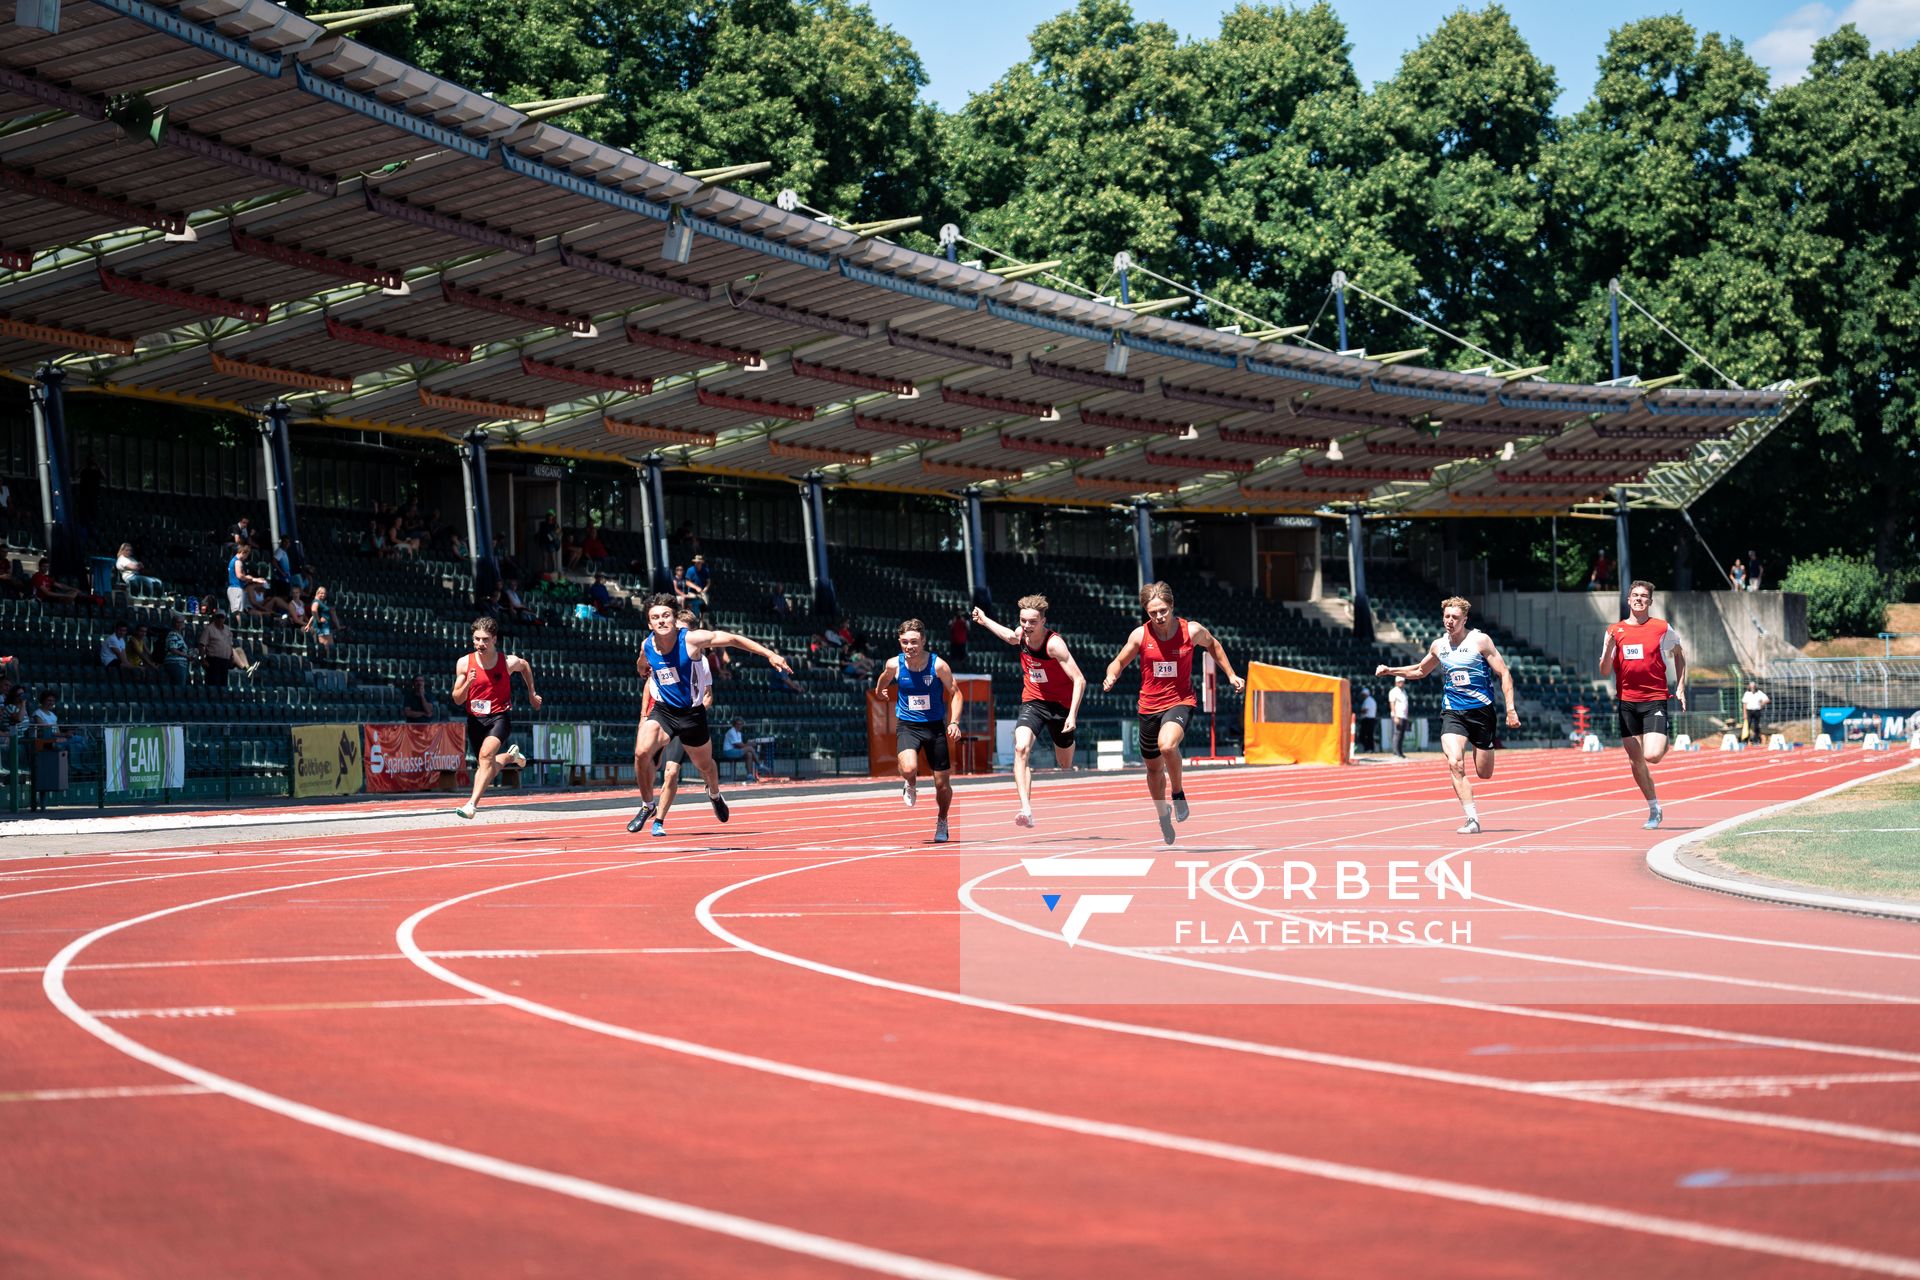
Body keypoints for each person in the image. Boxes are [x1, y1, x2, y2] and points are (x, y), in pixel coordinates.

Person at [625, 594, 792, 835]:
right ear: (649, 623)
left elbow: (732, 639)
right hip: (664, 711)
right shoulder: (647, 644)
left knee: (705, 765)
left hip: (692, 715)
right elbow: (642, 661)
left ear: (673, 618)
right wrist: (642, 668)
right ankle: (647, 805)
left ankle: (714, 793)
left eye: (665, 616)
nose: (661, 621)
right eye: (655, 618)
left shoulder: (692, 640)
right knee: (641, 751)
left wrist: (770, 654)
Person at [1103, 582, 1245, 845]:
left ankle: (1178, 794)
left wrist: (1231, 674)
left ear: (1172, 606)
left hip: (1180, 701)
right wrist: (1111, 675)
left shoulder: (1191, 631)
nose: (1158, 617)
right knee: (1154, 770)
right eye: (1152, 612)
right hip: (1148, 707)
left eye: (1163, 611)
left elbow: (1214, 645)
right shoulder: (1139, 636)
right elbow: (1119, 661)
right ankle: (1162, 815)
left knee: (1167, 746)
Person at [1375, 596, 1520, 836]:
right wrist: (1391, 671)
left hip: (1482, 712)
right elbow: (1421, 670)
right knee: (1455, 763)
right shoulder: (1439, 646)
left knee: (1485, 773)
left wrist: (1511, 709)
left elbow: (1504, 673)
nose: (1450, 621)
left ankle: (1483, 747)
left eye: (1455, 617)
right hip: (1453, 711)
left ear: (1465, 619)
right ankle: (1472, 819)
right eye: (1447, 617)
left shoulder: (1480, 641)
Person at [973, 597, 1088, 828]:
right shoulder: (1021, 634)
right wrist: (984, 620)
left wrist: (1072, 715)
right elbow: (1008, 635)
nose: (1026, 625)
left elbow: (1079, 680)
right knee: (1020, 747)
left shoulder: (1054, 645)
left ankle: (1067, 753)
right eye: (1023, 620)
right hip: (1034, 701)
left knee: (1064, 764)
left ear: (1043, 621)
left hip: (1060, 707)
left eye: (1032, 621)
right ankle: (1026, 809)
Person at [1601, 579, 1687, 830]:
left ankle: (1663, 738)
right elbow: (1605, 670)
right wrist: (1608, 650)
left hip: (1654, 699)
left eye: (1643, 596)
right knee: (1635, 759)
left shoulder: (1662, 628)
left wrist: (1680, 686)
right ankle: (1653, 808)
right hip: (1627, 702)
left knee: (1652, 755)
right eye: (1635, 595)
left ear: (1650, 601)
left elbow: (1679, 655)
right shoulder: (1614, 631)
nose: (1639, 599)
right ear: (1628, 600)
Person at [874, 617, 963, 843]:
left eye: (914, 642)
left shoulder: (938, 665)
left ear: (923, 641)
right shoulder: (894, 664)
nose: (909, 647)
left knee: (942, 785)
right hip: (908, 725)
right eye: (904, 642)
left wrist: (954, 722)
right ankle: (910, 783)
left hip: (935, 728)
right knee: (909, 768)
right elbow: (883, 680)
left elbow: (956, 693)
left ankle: (942, 820)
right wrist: (880, 690)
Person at [450, 616, 539, 820]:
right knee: (486, 765)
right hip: (475, 720)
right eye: (477, 639)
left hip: (499, 717)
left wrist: (531, 693)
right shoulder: (464, 663)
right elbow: (456, 699)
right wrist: (468, 684)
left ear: (494, 639)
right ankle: (510, 757)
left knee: (484, 757)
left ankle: (471, 804)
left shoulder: (507, 662)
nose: (480, 644)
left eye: (485, 639)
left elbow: (524, 666)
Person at [225, 543, 266, 615]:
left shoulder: (233, 561)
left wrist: (251, 578)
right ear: (243, 553)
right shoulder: (238, 562)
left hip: (235, 588)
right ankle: (239, 626)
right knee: (238, 612)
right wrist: (254, 579)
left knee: (239, 611)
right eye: (247, 555)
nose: (247, 557)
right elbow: (240, 576)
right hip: (236, 589)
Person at [304, 585, 337, 661]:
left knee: (329, 645)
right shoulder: (316, 602)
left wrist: (308, 625)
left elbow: (313, 615)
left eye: (324, 594)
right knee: (325, 645)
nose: (323, 595)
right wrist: (318, 620)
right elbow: (314, 611)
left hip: (325, 626)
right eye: (321, 593)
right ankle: (325, 661)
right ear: (317, 593)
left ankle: (327, 659)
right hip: (321, 627)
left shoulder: (320, 602)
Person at [161, 617, 191, 686]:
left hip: (181, 664)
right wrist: (187, 656)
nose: (183, 624)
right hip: (175, 663)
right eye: (181, 622)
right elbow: (173, 649)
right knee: (179, 687)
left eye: (183, 622)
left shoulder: (180, 635)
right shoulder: (172, 634)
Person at [1388, 674, 1411, 759]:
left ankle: (1400, 751)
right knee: (1397, 734)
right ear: (1396, 682)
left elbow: (1406, 705)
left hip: (1404, 716)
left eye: (1403, 682)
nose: (1402, 683)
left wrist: (1407, 716)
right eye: (1400, 682)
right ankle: (1395, 752)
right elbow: (1392, 704)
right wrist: (1395, 716)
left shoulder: (1404, 691)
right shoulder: (1393, 691)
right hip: (1398, 715)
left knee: (1402, 735)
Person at [1359, 687, 1380, 752]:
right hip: (1371, 719)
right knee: (1369, 735)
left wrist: (1360, 711)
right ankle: (1370, 748)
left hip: (1367, 719)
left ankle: (1369, 748)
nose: (1362, 696)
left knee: (1365, 735)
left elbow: (1365, 710)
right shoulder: (1371, 700)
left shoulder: (1368, 700)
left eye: (1363, 694)